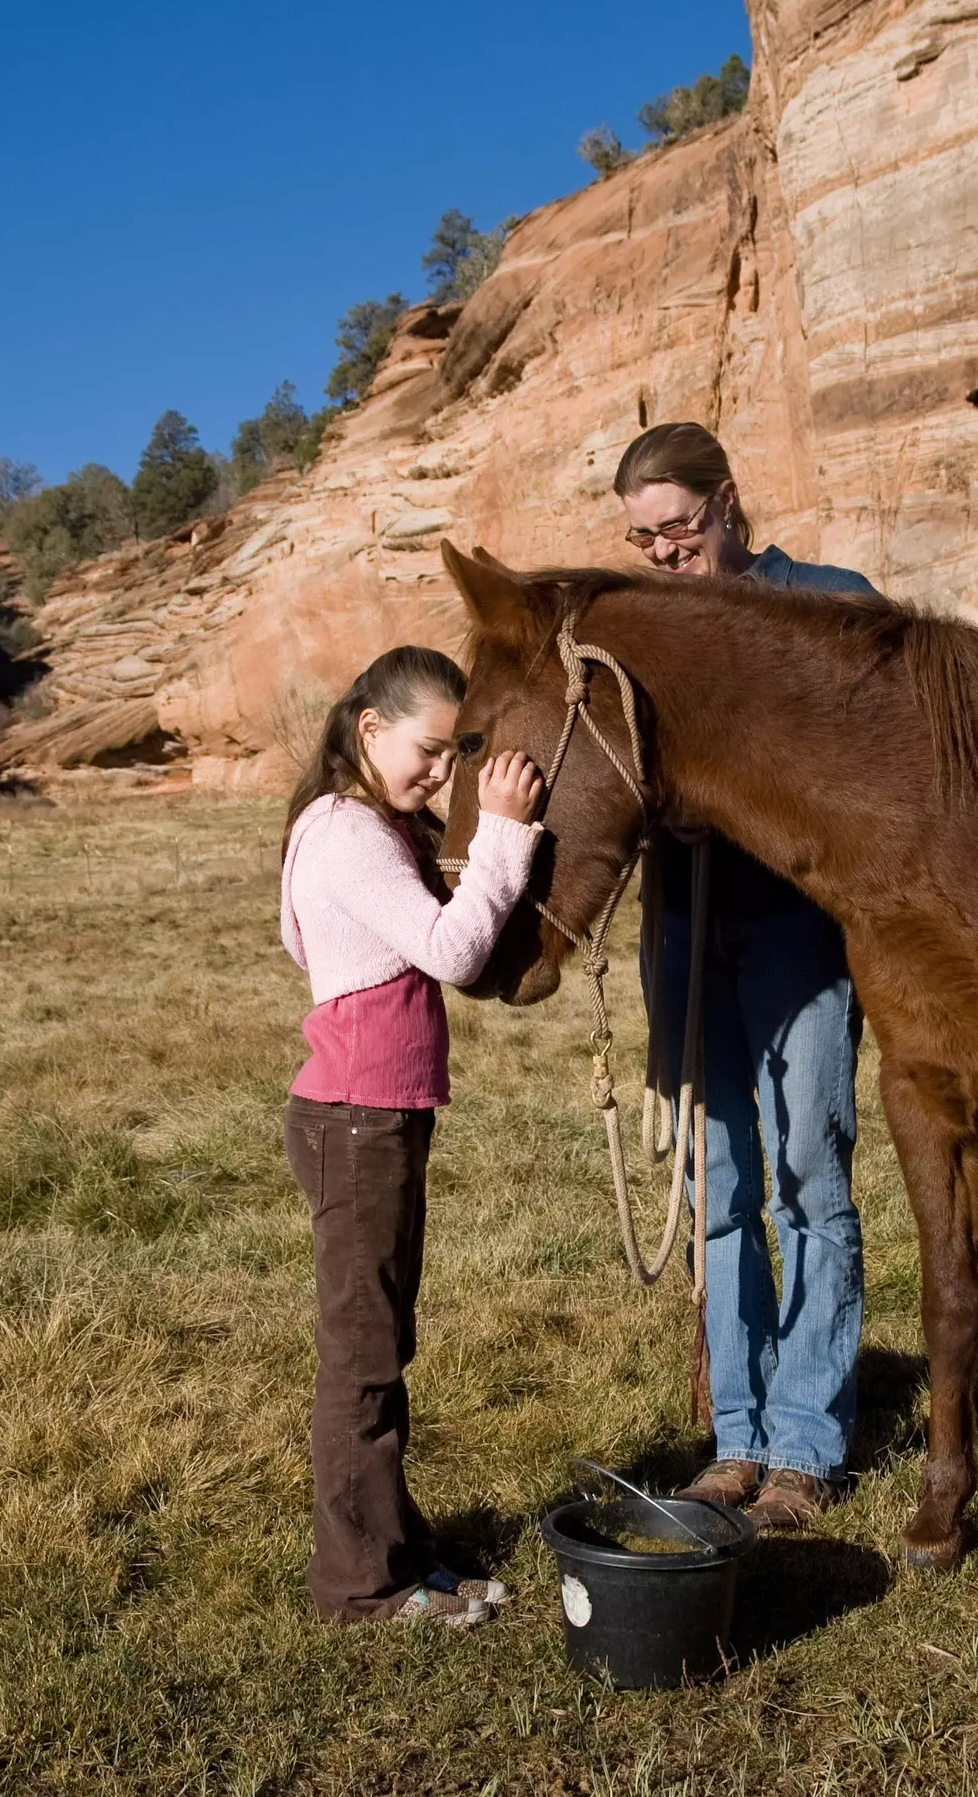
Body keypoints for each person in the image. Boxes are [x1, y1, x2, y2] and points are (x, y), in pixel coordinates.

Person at [613, 422, 978, 1531]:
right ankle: (737, 1436)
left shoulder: (823, 601)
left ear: (727, 504)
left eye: (678, 528)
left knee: (810, 1173)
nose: (665, 554)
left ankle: (805, 1445)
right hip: (681, 927)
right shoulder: (648, 634)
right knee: (720, 1186)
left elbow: (921, 697)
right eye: (643, 539)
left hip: (800, 936)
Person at [278, 645, 544, 1626]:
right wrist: (503, 840)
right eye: (429, 752)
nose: (441, 774)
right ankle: (359, 1585)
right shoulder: (349, 833)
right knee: (361, 1358)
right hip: (358, 1122)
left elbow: (304, 939)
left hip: (366, 1116)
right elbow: (451, 950)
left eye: (456, 756)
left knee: (379, 1343)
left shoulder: (343, 824)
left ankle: (397, 1551)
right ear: (370, 729)